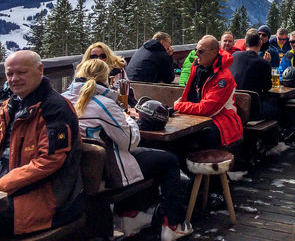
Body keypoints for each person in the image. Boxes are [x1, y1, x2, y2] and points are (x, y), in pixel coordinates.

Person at [63, 59, 192, 240]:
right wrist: (129, 119)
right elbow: (130, 142)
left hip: (76, 170)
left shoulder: (62, 99)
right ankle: (173, 224)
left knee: (146, 158)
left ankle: (132, 215)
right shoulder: (104, 105)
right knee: (168, 160)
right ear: (105, 78)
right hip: (106, 171)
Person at [0, 51, 83, 236]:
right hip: (13, 188)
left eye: (21, 73)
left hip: (47, 197)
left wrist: (2, 184)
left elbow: (49, 161)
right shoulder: (11, 105)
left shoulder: (54, 108)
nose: (14, 79)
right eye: (9, 74)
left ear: (40, 70)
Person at [175, 35, 243, 150]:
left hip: (222, 121)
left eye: (200, 51)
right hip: (196, 116)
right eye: (195, 50)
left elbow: (207, 110)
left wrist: (179, 106)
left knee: (202, 136)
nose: (196, 54)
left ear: (214, 52)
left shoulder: (223, 78)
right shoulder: (197, 68)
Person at [230, 31, 276, 119]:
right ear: (260, 43)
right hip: (253, 110)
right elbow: (267, 87)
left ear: (245, 43)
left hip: (234, 106)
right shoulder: (263, 63)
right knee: (278, 107)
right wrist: (267, 63)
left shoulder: (234, 56)